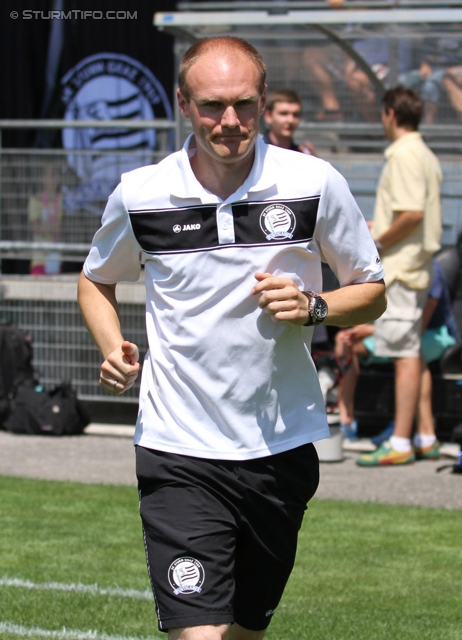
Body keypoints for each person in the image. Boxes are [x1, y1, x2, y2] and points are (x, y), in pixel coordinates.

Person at [78, 36, 386, 640]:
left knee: (244, 633)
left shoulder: (314, 183)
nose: (230, 122)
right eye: (213, 105)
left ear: (265, 101)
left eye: (244, 105)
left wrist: (314, 305)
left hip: (281, 448)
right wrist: (111, 345)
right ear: (184, 104)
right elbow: (94, 280)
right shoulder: (141, 193)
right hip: (178, 448)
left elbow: (371, 289)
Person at [356, 86, 442, 467]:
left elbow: (412, 215)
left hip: (403, 270)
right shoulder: (422, 152)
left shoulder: (405, 155)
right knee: (414, 352)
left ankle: (402, 442)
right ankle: (424, 436)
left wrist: (376, 240)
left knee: (404, 356)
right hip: (414, 268)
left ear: (390, 113)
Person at [336, 259, 459, 453]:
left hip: (432, 333)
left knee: (409, 351)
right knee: (344, 341)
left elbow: (415, 329)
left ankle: (404, 433)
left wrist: (372, 331)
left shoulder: (428, 268)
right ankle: (345, 418)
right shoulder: (384, 264)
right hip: (390, 331)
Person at [262, 88, 317, 155]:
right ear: (268, 116)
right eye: (284, 114)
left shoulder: (301, 155)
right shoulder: (256, 150)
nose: (291, 120)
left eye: (295, 115)